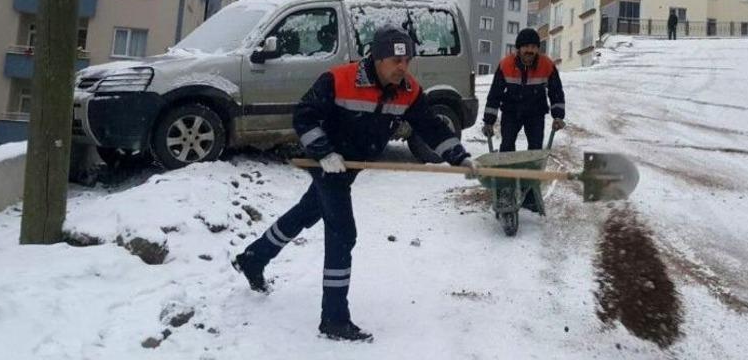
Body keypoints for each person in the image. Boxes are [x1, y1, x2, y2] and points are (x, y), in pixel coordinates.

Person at [233, 26, 477, 343]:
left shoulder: (408, 90)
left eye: (407, 61)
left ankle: (254, 257)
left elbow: (429, 126)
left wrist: (459, 156)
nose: (402, 68)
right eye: (395, 61)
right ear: (376, 58)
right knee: (343, 233)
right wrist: (323, 152)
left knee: (306, 213)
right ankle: (334, 319)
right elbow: (304, 117)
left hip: (350, 165)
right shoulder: (339, 79)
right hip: (328, 162)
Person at [482, 28, 566, 153]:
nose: (529, 50)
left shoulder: (547, 65)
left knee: (535, 148)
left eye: (533, 47)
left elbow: (556, 92)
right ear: (519, 49)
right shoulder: (506, 65)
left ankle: (531, 172)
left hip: (536, 112)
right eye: (526, 46)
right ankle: (507, 171)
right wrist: (489, 121)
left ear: (538, 49)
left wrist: (558, 116)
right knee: (507, 146)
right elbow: (495, 94)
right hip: (511, 111)